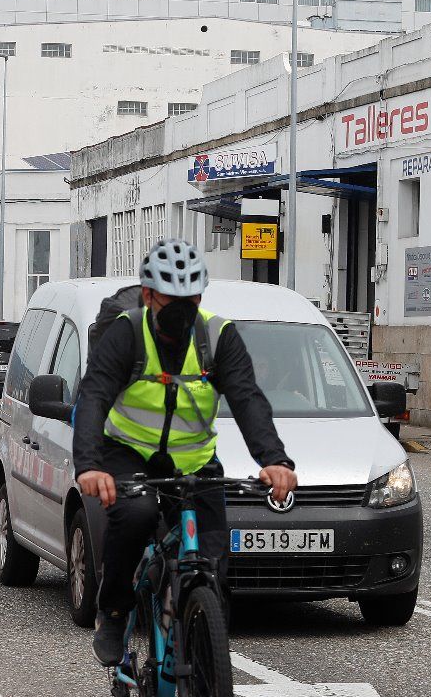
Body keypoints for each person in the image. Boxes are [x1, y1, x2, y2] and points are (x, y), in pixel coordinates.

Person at [73, 239, 298, 666]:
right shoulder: (127, 333)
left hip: (194, 461)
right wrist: (89, 465)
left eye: (191, 298)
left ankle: (202, 661)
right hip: (128, 453)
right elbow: (94, 395)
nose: (182, 307)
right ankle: (114, 612)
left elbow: (248, 399)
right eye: (170, 299)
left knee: (212, 565)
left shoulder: (218, 337)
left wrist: (274, 460)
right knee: (136, 516)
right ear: (148, 296)